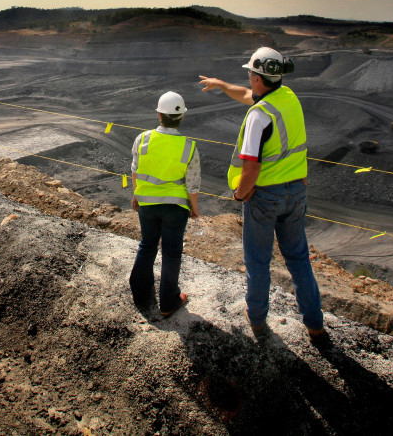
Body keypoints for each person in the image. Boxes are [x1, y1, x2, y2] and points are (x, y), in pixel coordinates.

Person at [199, 48, 325, 341]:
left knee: (257, 260)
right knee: (298, 259)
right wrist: (220, 85)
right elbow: (245, 94)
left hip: (265, 196)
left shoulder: (259, 116)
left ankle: (256, 319)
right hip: (296, 192)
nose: (248, 79)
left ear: (258, 78)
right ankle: (315, 324)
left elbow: (251, 166)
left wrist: (241, 195)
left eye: (250, 75)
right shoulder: (287, 98)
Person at [129, 91, 201, 318]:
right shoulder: (189, 146)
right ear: (181, 117)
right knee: (171, 252)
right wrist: (194, 207)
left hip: (147, 203)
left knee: (147, 246)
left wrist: (136, 195)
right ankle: (168, 302)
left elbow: (135, 170)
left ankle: (141, 296)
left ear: (159, 115)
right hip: (175, 207)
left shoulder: (143, 139)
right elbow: (193, 182)